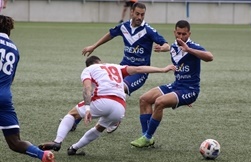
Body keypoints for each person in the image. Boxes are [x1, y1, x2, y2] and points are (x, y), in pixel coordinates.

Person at [38, 56, 175, 154]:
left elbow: (87, 89)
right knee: (99, 128)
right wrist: (162, 69)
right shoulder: (115, 67)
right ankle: (74, 148)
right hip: (120, 107)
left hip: (102, 100)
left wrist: (87, 109)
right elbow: (139, 69)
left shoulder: (89, 70)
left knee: (72, 114)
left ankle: (58, 141)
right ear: (100, 62)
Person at [80, 2, 170, 133]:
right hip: (123, 68)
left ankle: (115, 119)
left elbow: (166, 44)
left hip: (140, 72)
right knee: (95, 89)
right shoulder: (124, 27)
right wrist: (94, 46)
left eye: (142, 14)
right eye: (137, 14)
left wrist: (163, 48)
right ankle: (76, 117)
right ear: (132, 12)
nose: (140, 17)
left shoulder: (148, 30)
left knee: (119, 88)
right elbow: (110, 34)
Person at [130, 20, 214, 148]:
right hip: (176, 86)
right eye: (178, 33)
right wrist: (163, 48)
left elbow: (210, 57)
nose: (180, 37)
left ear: (189, 33)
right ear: (174, 32)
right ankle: (147, 137)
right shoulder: (174, 47)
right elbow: (169, 47)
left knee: (159, 102)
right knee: (144, 99)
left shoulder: (193, 46)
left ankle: (147, 137)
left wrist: (189, 49)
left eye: (184, 34)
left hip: (190, 89)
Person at [0, 15, 57, 162]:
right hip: (4, 97)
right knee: (15, 142)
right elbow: (10, 78)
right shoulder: (14, 49)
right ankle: (42, 155)